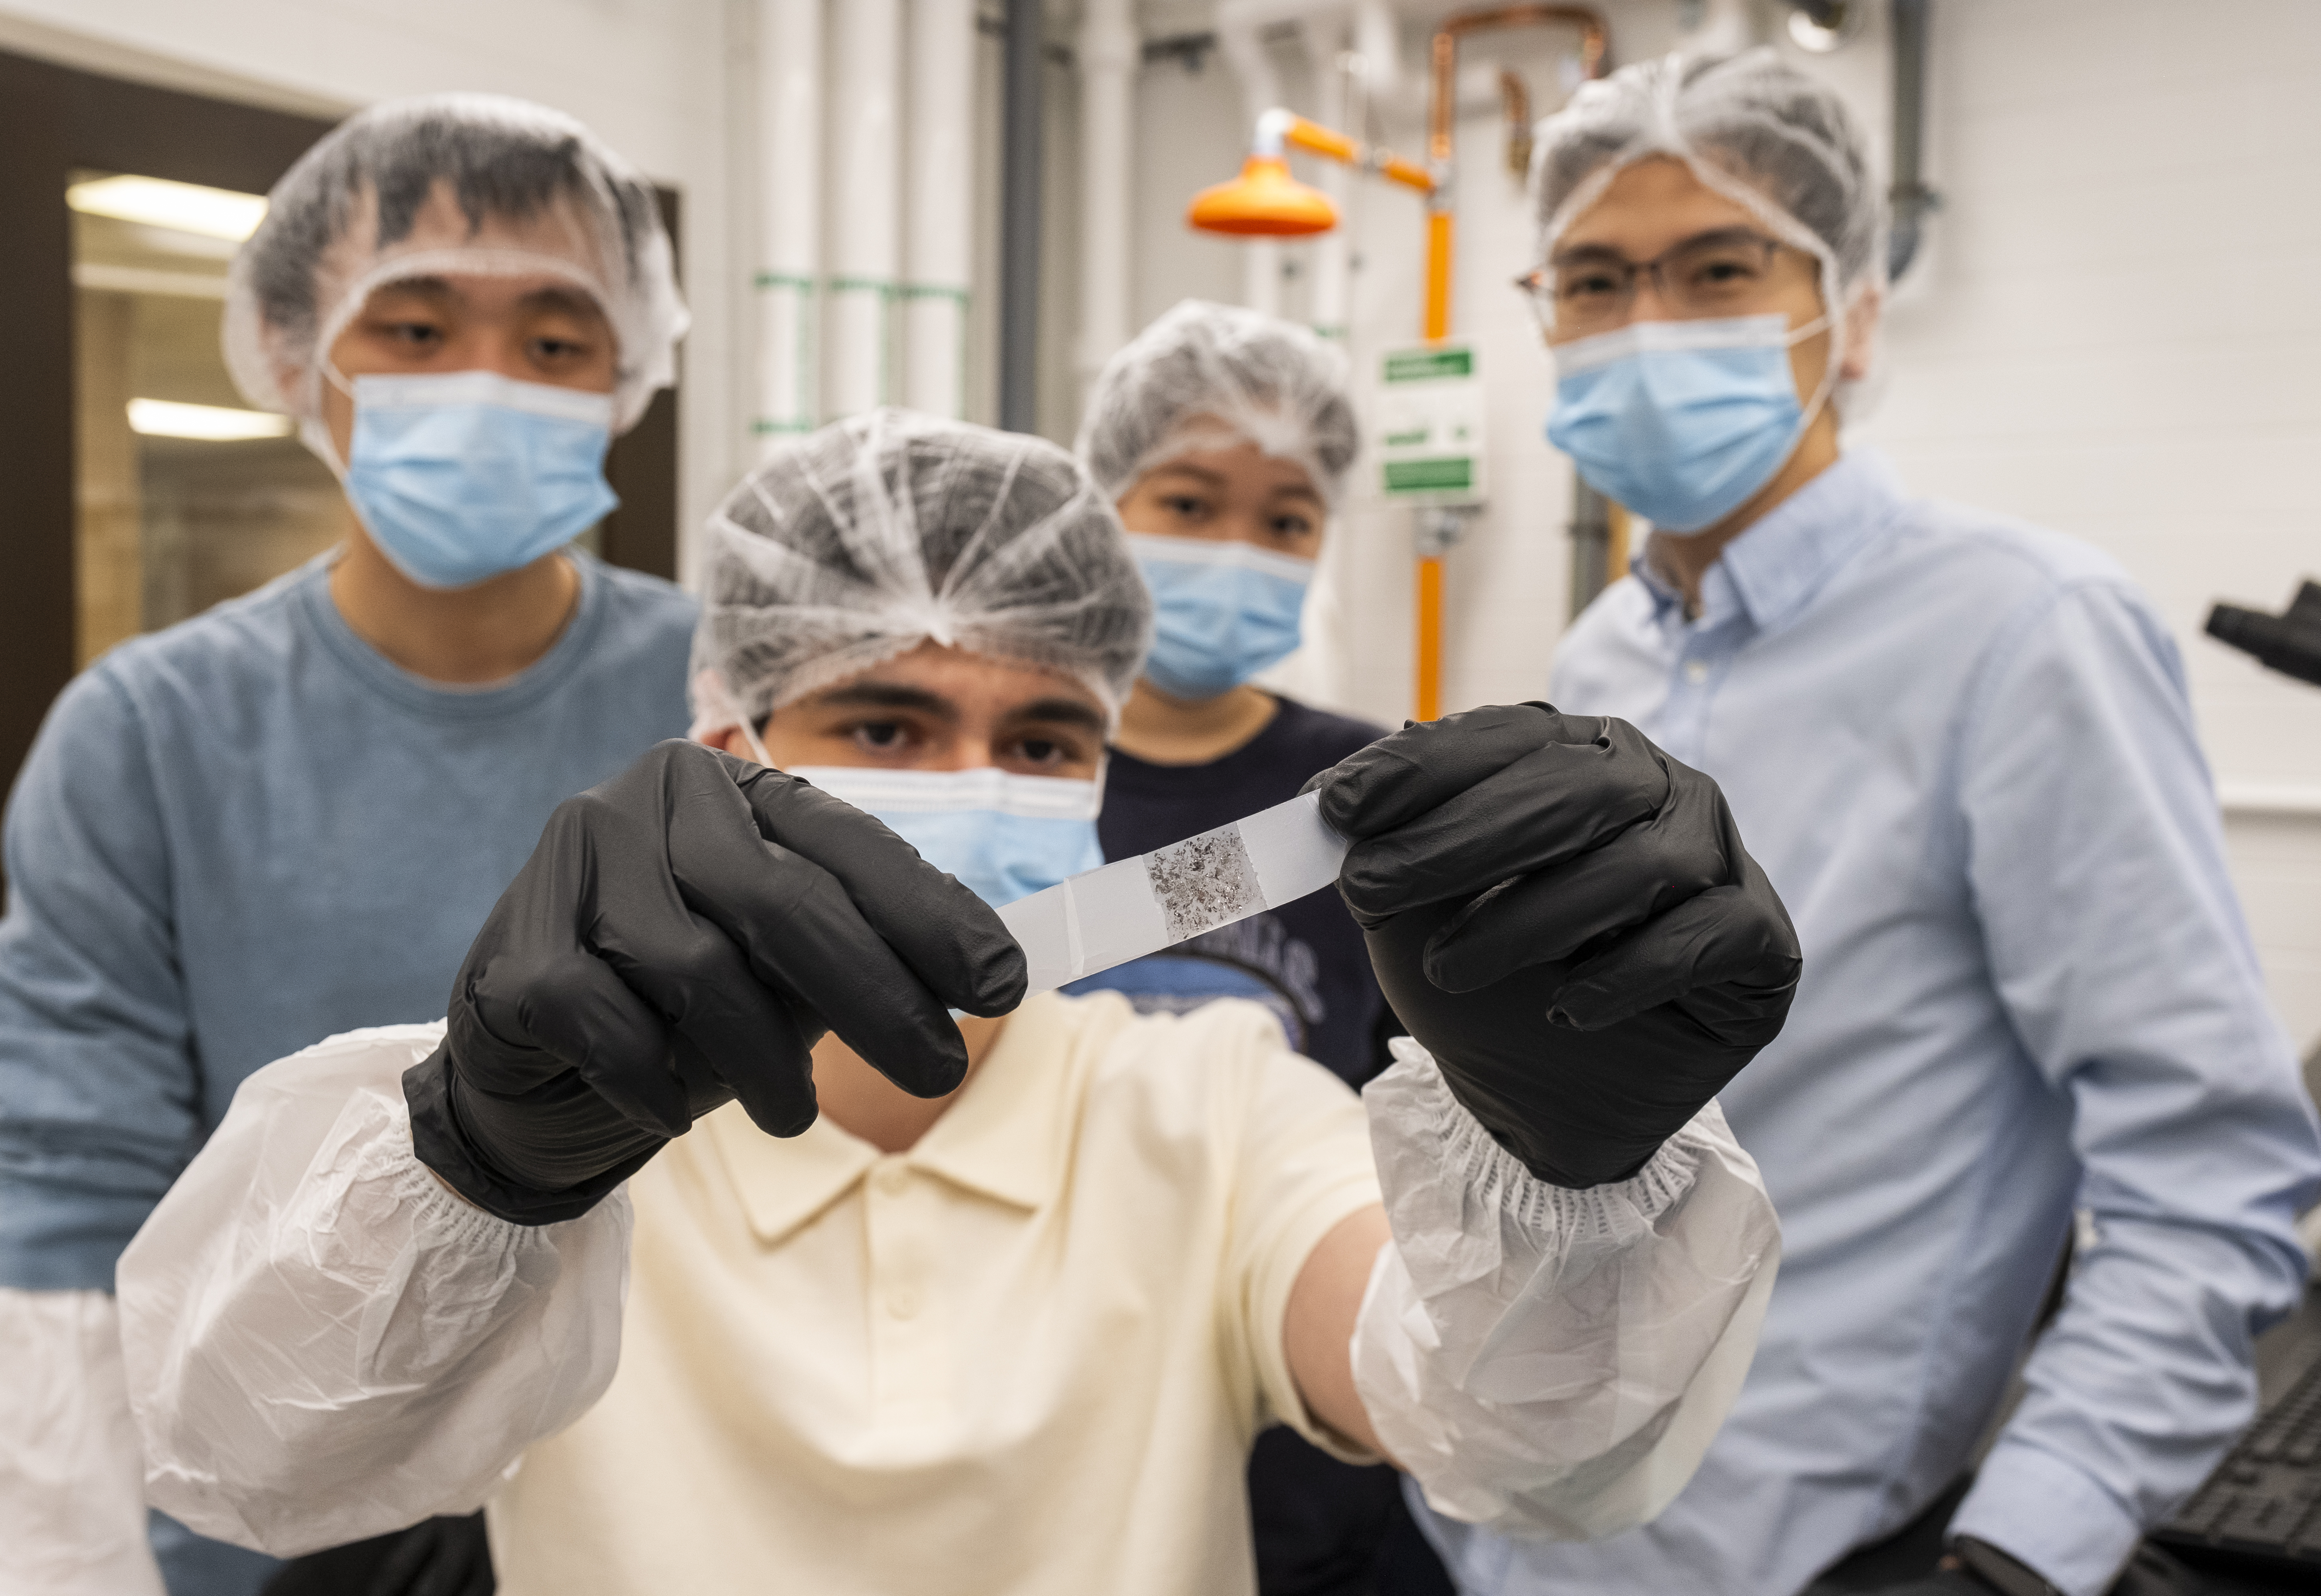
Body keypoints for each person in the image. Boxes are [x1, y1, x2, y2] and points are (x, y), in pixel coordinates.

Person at [116, 409, 1798, 1594]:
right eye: (887, 724)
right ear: (733, 755)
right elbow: (248, 1462)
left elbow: (1508, 1434)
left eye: (1048, 740)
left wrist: (1569, 1171)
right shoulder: (562, 1086)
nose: (974, 787)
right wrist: (475, 1159)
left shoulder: (1205, 1098)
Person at [1421, 49, 2321, 1596]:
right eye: (1593, 280)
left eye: (1717, 267)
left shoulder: (2023, 633)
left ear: (1849, 305)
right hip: (1521, 1524)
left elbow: (2212, 1178)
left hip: (1814, 1549)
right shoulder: (1601, 659)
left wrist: (2028, 1545)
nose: (1648, 325)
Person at [0, 93, 696, 1596]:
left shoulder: (724, 702)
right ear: (300, 354)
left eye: (554, 339)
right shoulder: (150, 730)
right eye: (413, 329)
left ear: (630, 373)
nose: (486, 380)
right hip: (273, 1509)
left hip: (662, 1505)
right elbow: (73, 1191)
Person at [1075, 300, 1433, 1595]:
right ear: (1097, 506)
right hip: (1055, 1357)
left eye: (1286, 520)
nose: (1239, 547)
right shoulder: (1008, 780)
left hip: (1298, 1361)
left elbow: (1417, 1101)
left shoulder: (1360, 789)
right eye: (1185, 502)